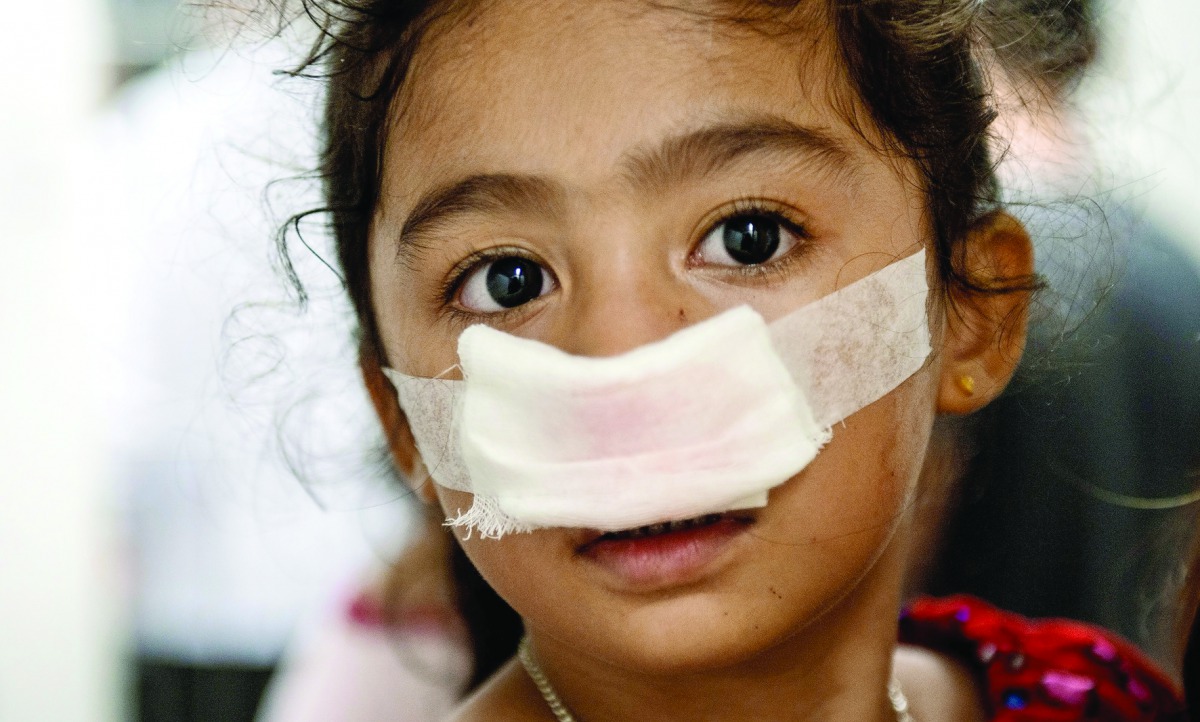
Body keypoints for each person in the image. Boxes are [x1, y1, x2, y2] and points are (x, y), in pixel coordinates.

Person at [269, 1, 1187, 720]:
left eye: (749, 239)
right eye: (508, 282)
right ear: (405, 421)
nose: (623, 359)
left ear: (969, 315)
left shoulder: (1097, 704)